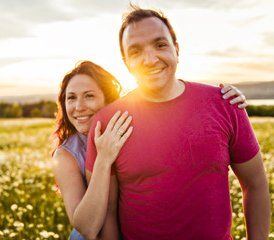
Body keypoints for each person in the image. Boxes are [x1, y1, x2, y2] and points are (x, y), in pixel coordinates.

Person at [85, 5, 271, 240]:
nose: (150, 59)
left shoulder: (225, 104)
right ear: (126, 63)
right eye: (136, 51)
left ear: (177, 49)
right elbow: (108, 214)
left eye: (160, 44)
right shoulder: (108, 123)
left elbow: (254, 184)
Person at [52, 60, 249, 240]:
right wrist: (103, 159)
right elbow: (88, 228)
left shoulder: (129, 127)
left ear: (108, 100)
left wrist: (223, 98)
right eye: (71, 98)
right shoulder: (65, 155)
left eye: (89, 96)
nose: (79, 106)